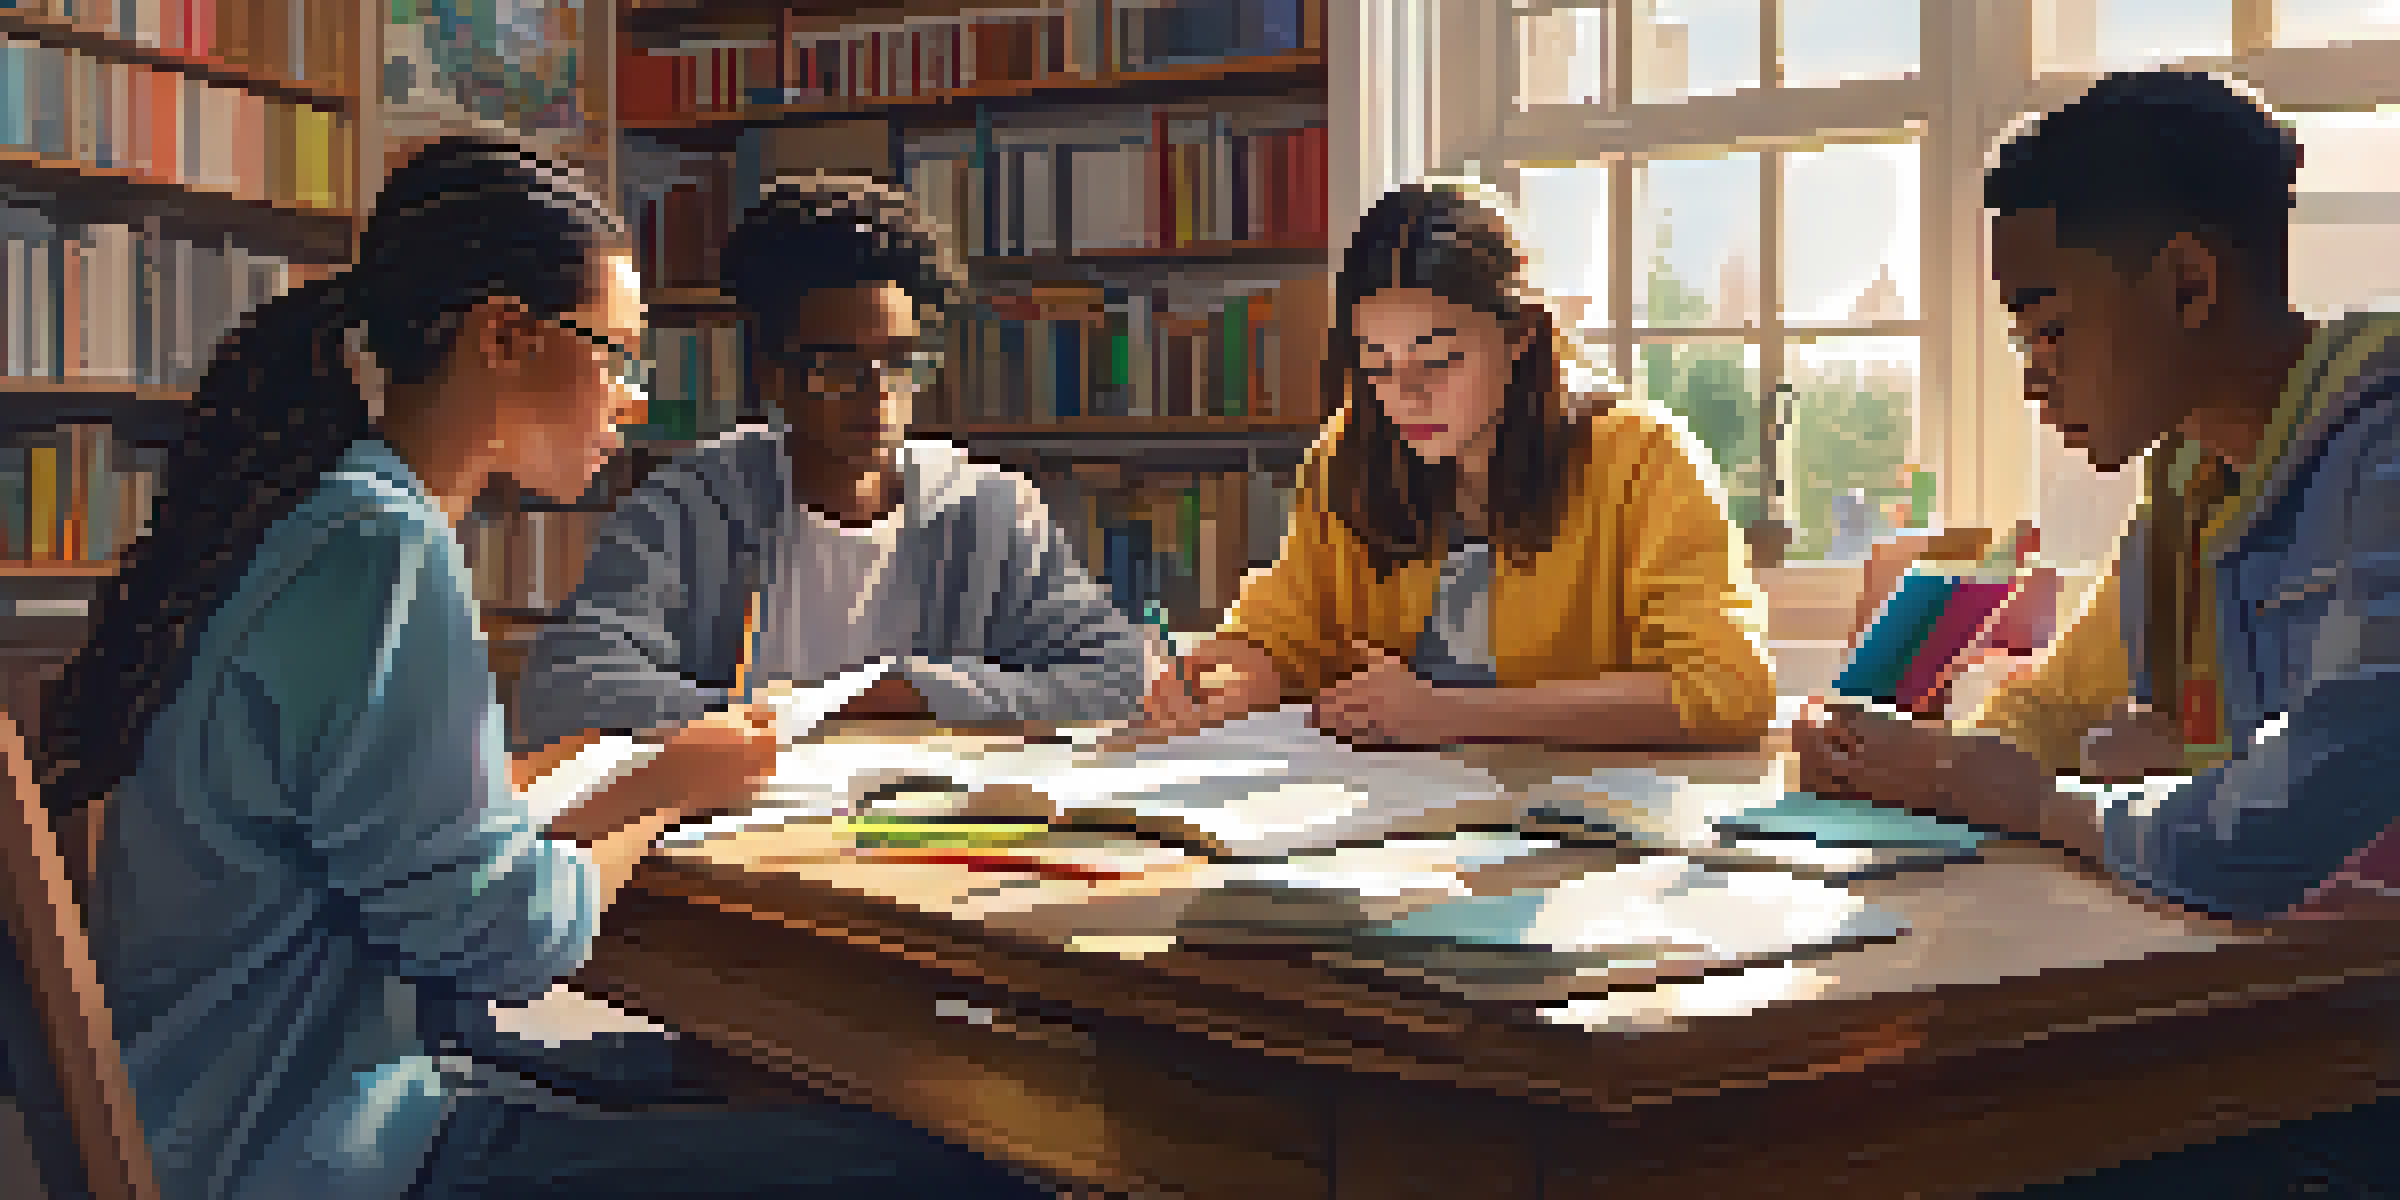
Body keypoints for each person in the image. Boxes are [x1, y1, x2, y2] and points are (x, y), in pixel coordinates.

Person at [36, 137, 1048, 1200]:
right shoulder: (380, 549)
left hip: (259, 1111)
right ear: (506, 337)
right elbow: (509, 943)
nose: (632, 401)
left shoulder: (322, 519)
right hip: (322, 1153)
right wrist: (666, 789)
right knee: (943, 1167)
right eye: (616, 356)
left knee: (784, 1088)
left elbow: (396, 854)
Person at [1795, 70, 2400, 1199]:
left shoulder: (2384, 451)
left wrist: (2024, 794)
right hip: (2276, 1016)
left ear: (2188, 284)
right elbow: (2081, 716)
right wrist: (1904, 767)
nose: (2032, 375)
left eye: (2053, 326)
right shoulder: (2187, 489)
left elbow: (2277, 825)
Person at [510, 171, 1150, 757]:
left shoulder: (987, 507)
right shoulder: (692, 504)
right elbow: (563, 692)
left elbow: (1123, 673)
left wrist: (908, 691)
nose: (877, 394)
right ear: (772, 375)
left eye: (899, 361)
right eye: (837, 366)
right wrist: (799, 715)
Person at [1134, 183, 1775, 748]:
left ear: (1520, 335)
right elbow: (1288, 634)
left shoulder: (1643, 458)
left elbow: (1725, 690)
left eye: (1437, 362)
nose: (1405, 395)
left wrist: (1456, 714)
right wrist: (1233, 679)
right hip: (1389, 821)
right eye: (1377, 365)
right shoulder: (1346, 455)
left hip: (1572, 825)